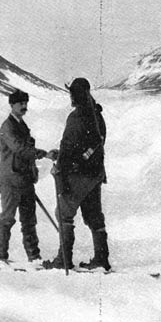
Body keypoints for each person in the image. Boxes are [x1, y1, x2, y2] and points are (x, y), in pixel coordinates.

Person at [43, 77, 111, 271]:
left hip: (78, 175)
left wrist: (60, 167)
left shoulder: (76, 117)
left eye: (71, 93)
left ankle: (63, 260)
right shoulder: (97, 115)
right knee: (94, 215)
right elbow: (94, 144)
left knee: (64, 214)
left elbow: (67, 146)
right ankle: (101, 259)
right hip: (95, 173)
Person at [0, 89, 52, 262]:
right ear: (12, 105)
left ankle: (34, 256)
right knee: (7, 218)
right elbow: (19, 149)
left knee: (29, 220)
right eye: (21, 103)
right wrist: (42, 153)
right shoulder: (7, 127)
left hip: (25, 181)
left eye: (26, 103)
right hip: (11, 181)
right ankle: (2, 255)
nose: (24, 106)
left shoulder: (22, 126)